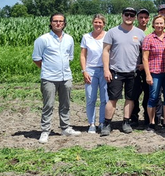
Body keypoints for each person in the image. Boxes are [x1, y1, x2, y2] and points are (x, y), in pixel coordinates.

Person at [32, 13, 77, 143]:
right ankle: (45, 131)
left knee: (65, 104)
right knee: (48, 105)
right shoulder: (43, 39)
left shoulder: (69, 39)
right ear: (51, 23)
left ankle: (65, 127)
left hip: (66, 77)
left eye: (61, 21)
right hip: (49, 78)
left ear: (64, 23)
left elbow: (70, 56)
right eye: (55, 21)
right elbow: (36, 58)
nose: (58, 23)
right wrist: (47, 69)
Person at [102, 7, 146, 136]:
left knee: (130, 98)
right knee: (113, 98)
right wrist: (106, 69)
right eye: (127, 14)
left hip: (133, 72)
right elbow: (105, 51)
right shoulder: (112, 32)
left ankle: (126, 122)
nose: (129, 17)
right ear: (122, 15)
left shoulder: (140, 33)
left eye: (132, 15)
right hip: (116, 70)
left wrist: (143, 64)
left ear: (134, 17)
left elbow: (145, 52)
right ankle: (107, 123)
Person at [142, 14, 165, 131]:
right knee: (153, 97)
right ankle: (152, 122)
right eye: (157, 23)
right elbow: (145, 58)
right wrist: (148, 74)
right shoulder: (149, 38)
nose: (159, 25)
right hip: (154, 72)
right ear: (153, 24)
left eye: (161, 23)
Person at [80, 14, 108, 134]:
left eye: (100, 22)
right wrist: (84, 70)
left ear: (104, 24)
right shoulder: (86, 37)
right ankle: (92, 123)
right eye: (96, 22)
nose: (98, 25)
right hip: (90, 69)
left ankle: (102, 122)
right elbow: (82, 55)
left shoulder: (108, 36)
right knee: (91, 98)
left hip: (104, 69)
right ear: (93, 23)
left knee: (104, 99)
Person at [130, 8, 151, 127]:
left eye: (145, 17)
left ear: (148, 19)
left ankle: (148, 118)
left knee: (148, 95)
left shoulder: (152, 32)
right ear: (137, 19)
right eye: (141, 17)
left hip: (148, 68)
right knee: (134, 94)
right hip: (135, 68)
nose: (143, 20)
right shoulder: (132, 31)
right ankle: (133, 118)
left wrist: (145, 64)